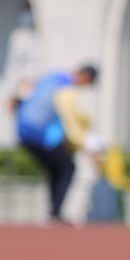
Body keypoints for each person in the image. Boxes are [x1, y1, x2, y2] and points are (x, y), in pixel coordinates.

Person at [16, 63, 98, 222]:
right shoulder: (66, 90)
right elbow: (71, 124)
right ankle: (55, 213)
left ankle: (53, 211)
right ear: (85, 77)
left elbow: (27, 92)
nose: (84, 87)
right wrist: (88, 147)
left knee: (56, 169)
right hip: (41, 135)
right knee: (68, 168)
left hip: (24, 132)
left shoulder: (52, 77)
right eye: (87, 83)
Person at [3, 4, 40, 109]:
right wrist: (11, 92)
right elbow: (13, 65)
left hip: (37, 87)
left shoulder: (38, 36)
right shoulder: (18, 36)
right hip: (22, 86)